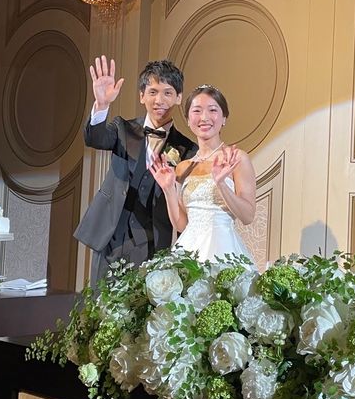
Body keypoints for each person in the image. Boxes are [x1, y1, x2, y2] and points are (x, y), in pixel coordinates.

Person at [74, 56, 197, 283]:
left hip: (152, 242)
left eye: (168, 93)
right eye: (152, 92)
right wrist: (102, 105)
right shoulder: (123, 128)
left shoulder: (188, 149)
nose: (159, 100)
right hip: (111, 236)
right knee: (101, 300)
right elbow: (95, 138)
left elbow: (185, 202)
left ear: (179, 97)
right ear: (142, 96)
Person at [150, 85, 256, 263]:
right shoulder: (183, 167)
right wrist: (168, 190)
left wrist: (221, 184)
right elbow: (182, 225)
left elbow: (247, 216)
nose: (204, 117)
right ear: (188, 119)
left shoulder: (236, 158)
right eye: (197, 111)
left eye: (212, 110)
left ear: (224, 118)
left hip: (223, 250)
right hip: (189, 250)